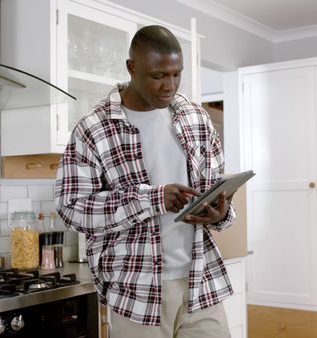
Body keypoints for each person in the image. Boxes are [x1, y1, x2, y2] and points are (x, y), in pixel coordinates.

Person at [55, 25, 235, 338]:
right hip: (138, 292)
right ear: (132, 67)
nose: (170, 85)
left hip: (201, 281)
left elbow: (214, 185)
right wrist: (152, 199)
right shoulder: (94, 128)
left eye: (176, 74)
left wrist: (220, 214)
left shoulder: (196, 116)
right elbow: (72, 209)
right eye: (158, 76)